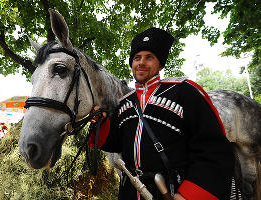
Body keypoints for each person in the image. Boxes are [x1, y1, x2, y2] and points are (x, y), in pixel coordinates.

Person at [89, 27, 235, 200]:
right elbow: (117, 143)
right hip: (130, 192)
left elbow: (213, 148)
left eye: (149, 57)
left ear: (160, 64)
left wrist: (188, 194)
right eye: (137, 58)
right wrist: (101, 123)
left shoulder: (184, 91)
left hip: (171, 191)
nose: (141, 62)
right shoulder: (124, 103)